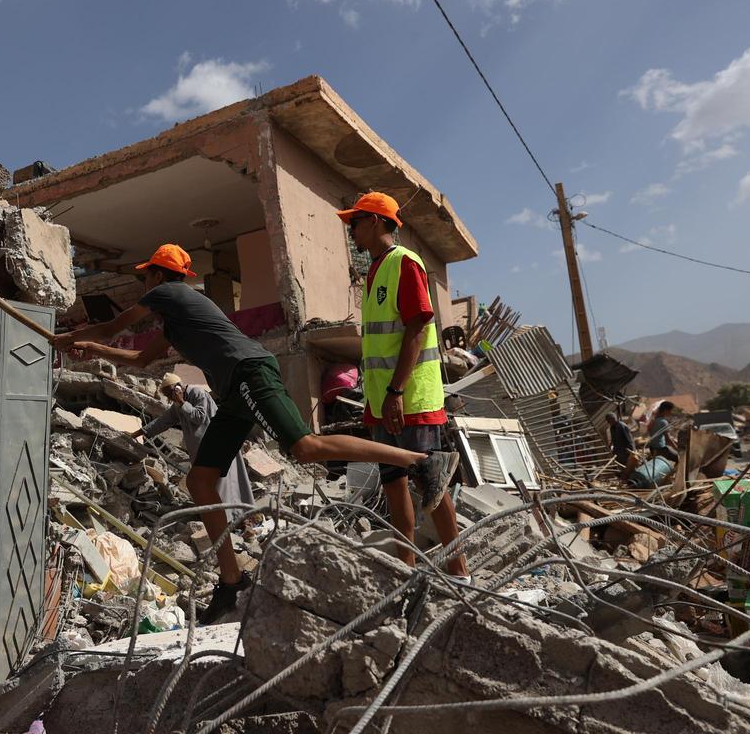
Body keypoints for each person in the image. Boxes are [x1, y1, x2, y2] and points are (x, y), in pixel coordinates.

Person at [53, 243, 458, 623]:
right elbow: (141, 360)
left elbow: (112, 326)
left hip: (249, 373)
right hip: (232, 392)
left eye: (147, 277)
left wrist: (71, 337)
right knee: (201, 479)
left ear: (159, 277)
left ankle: (422, 461)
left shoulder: (170, 294)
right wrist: (93, 350)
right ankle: (231, 582)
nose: (145, 284)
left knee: (304, 447)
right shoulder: (176, 321)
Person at [339, 192, 468, 580]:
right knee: (394, 482)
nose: (351, 232)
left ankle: (461, 573)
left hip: (410, 399)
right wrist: (380, 398)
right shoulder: (375, 271)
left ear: (376, 221)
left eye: (355, 224)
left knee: (432, 482)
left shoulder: (404, 263)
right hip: (383, 401)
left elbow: (417, 328)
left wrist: (396, 391)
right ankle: (406, 569)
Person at [133, 373, 255, 509]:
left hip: (215, 446)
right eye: (167, 395)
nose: (169, 398)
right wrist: (139, 433)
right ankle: (218, 512)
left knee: (224, 482)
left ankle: (233, 512)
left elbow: (199, 417)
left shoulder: (197, 394)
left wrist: (182, 403)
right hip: (201, 451)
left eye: (169, 394)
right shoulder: (178, 404)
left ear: (178, 388)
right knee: (209, 483)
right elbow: (163, 421)